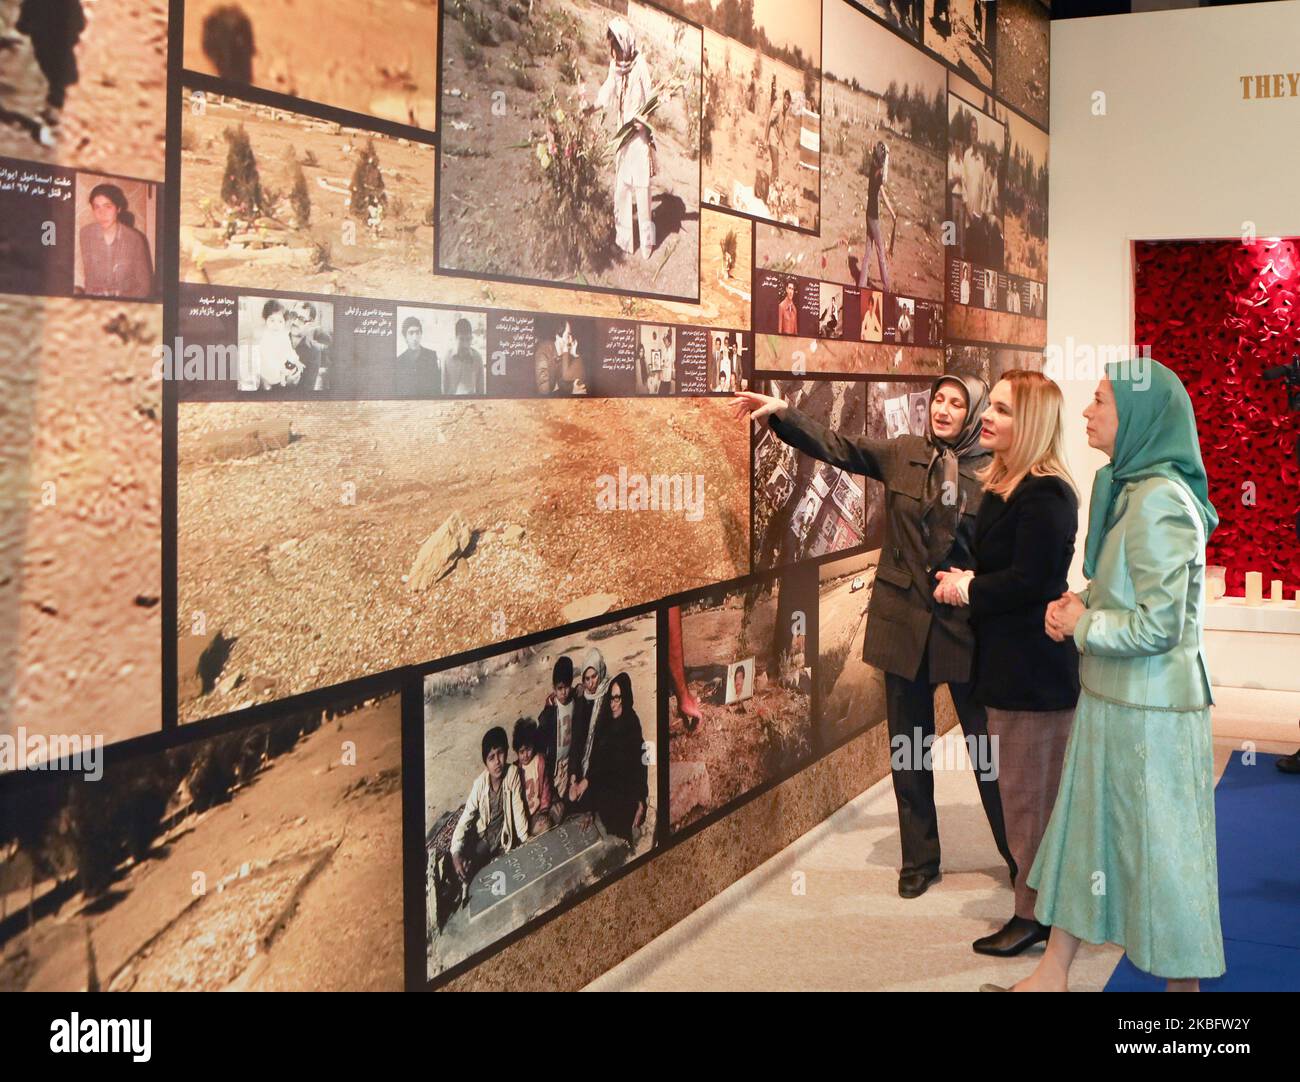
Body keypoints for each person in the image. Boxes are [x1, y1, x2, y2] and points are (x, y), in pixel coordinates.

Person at [984, 360, 1225, 991]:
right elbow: (1126, 590)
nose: (1086, 413)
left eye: (1099, 402)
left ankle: (1184, 1002)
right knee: (1081, 840)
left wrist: (1080, 627)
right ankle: (1052, 974)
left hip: (1150, 716)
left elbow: (1158, 627)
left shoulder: (1160, 503)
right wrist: (1085, 600)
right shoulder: (1135, 489)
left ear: (1138, 418)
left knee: (1165, 858)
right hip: (1114, 702)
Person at [733, 375, 1016, 898]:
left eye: (957, 403)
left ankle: (1021, 860)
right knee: (908, 748)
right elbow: (843, 447)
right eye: (938, 399)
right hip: (901, 624)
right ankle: (920, 860)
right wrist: (781, 414)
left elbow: (1004, 563)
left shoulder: (995, 477)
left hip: (961, 631)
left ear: (974, 413)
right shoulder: (904, 453)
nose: (944, 410)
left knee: (986, 749)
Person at [932, 371, 1080, 957]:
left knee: (1029, 801)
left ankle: (1036, 914)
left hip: (1033, 674)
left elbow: (1030, 581)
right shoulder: (1001, 486)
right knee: (1020, 798)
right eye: (988, 405)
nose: (985, 416)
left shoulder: (1047, 495)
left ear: (1033, 423)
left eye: (1001, 409)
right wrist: (968, 579)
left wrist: (970, 589)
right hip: (1006, 667)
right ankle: (1035, 907)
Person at [591, 18, 656, 260]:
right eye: (612, 47)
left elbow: (652, 99)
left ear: (625, 43)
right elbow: (608, 89)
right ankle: (625, 240)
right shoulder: (615, 66)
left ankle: (647, 245)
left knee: (642, 188)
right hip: (622, 137)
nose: (614, 52)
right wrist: (593, 106)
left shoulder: (640, 66)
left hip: (638, 138)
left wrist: (644, 119)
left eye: (617, 47)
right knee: (622, 189)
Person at [450, 726, 531, 884]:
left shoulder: (512, 773)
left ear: (506, 752)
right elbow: (465, 820)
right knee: (466, 869)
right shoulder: (479, 784)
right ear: (485, 762)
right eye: (491, 757)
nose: (497, 762)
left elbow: (518, 811)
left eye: (500, 753)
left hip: (504, 838)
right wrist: (455, 854)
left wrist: (527, 842)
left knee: (512, 874)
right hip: (485, 838)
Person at [585, 671, 648, 844]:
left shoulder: (632, 723)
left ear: (625, 698)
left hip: (626, 791)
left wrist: (642, 800)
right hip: (605, 792)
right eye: (611, 698)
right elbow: (594, 764)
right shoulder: (604, 722)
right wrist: (590, 807)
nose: (613, 704)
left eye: (618, 698)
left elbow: (642, 764)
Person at [79, 182, 154, 298]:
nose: (101, 213)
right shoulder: (86, 234)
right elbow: (89, 280)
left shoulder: (135, 239)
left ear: (118, 208)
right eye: (96, 207)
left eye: (107, 206)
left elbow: (144, 287)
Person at [568, 648, 611, 809]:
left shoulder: (608, 696)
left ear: (600, 672)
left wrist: (587, 780)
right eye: (586, 679)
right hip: (583, 762)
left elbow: (605, 745)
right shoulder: (582, 698)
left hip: (601, 762)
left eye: (594, 676)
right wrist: (573, 777)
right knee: (571, 801)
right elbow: (576, 739)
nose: (591, 683)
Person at [537, 656, 577, 808]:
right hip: (555, 762)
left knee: (569, 799)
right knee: (555, 796)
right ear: (554, 688)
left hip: (569, 760)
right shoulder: (552, 709)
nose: (564, 692)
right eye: (559, 688)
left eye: (566, 687)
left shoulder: (574, 701)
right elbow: (541, 733)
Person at [513, 717, 559, 836]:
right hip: (525, 816)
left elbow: (545, 788)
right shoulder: (515, 770)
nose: (525, 755)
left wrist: (544, 810)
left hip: (540, 810)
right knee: (544, 827)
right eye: (521, 752)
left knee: (559, 809)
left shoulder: (540, 761)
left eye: (528, 750)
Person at [860, 142, 896, 294]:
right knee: (881, 251)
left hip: (868, 214)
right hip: (873, 217)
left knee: (868, 250)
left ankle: (861, 283)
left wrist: (885, 153)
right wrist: (893, 213)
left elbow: (878, 159)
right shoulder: (879, 174)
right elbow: (885, 192)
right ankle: (887, 287)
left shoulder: (871, 168)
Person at [254, 299, 304, 390]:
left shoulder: (284, 336)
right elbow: (264, 358)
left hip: (280, 370)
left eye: (280, 321)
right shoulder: (265, 337)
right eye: (272, 320)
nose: (276, 325)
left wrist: (297, 361)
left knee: (293, 373)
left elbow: (289, 351)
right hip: (267, 372)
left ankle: (282, 382)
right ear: (266, 320)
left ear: (284, 322)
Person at [535, 320, 587, 395]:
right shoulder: (543, 353)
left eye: (571, 335)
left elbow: (574, 381)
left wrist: (574, 355)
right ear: (558, 337)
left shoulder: (563, 355)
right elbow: (544, 393)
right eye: (568, 335)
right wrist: (572, 394)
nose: (571, 340)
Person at [393, 314, 440, 397]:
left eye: (417, 332)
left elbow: (436, 388)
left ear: (421, 334)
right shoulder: (398, 362)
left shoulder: (431, 356)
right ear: (405, 337)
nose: (415, 337)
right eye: (411, 333)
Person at [442, 317, 483, 395]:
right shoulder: (447, 358)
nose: (465, 345)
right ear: (455, 338)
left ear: (472, 338)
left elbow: (480, 391)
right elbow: (443, 389)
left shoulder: (477, 358)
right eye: (461, 339)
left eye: (468, 339)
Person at [765, 88, 792, 195]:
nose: (787, 105)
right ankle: (771, 191)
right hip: (771, 137)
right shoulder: (778, 105)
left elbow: (782, 132)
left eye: (789, 104)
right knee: (776, 167)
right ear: (784, 99)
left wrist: (785, 147)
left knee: (775, 167)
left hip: (776, 139)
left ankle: (771, 189)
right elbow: (769, 121)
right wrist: (765, 139)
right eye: (786, 102)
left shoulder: (785, 111)